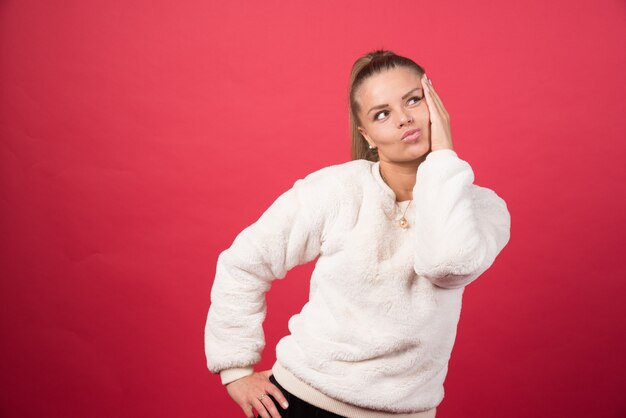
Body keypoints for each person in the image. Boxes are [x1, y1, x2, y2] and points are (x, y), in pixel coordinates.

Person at [204, 49, 511, 418]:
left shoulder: (482, 208)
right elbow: (244, 263)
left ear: (437, 104)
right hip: (303, 401)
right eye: (383, 114)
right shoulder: (336, 190)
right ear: (367, 134)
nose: (404, 119)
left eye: (414, 100)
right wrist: (235, 370)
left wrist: (444, 156)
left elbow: (446, 266)